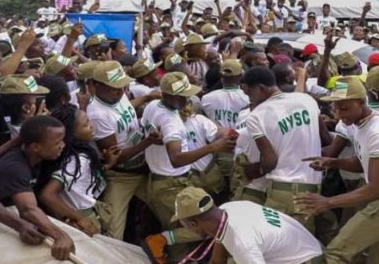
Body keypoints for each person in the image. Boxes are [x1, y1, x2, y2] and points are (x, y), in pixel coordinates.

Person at [295, 76, 379, 264]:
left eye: (344, 108)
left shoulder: (377, 132)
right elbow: (364, 164)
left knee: (335, 253)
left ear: (361, 102)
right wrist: (334, 163)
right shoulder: (361, 125)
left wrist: (328, 202)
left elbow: (376, 189)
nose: (339, 114)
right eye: (336, 108)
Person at [141, 72, 235, 263]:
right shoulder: (171, 121)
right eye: (181, 96)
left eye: (187, 95)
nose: (187, 100)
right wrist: (212, 147)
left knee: (183, 233)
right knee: (203, 227)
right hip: (172, 184)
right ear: (167, 95)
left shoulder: (153, 106)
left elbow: (149, 131)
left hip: (164, 180)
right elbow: (176, 159)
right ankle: (159, 240)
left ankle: (165, 244)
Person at [240, 66, 323, 232]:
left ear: (261, 88)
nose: (250, 99)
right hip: (312, 188)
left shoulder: (256, 116)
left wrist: (257, 169)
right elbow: (324, 137)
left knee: (277, 242)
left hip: (282, 191)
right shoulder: (307, 100)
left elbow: (270, 161)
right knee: (303, 241)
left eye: (250, 94)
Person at [88, 61, 158, 240]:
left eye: (123, 86)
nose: (120, 92)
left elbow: (126, 107)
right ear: (97, 86)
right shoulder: (97, 114)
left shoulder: (116, 95)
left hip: (142, 170)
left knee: (167, 211)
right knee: (113, 235)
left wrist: (147, 98)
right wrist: (148, 141)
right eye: (114, 88)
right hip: (121, 177)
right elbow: (116, 158)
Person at [173, 186, 323, 264]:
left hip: (308, 260)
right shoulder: (228, 209)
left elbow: (242, 246)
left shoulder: (242, 241)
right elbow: (217, 261)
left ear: (193, 224)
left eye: (184, 225)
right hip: (308, 249)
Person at [0, 116, 75, 261]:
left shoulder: (35, 156)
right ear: (35, 147)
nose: (62, 145)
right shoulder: (15, 167)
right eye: (57, 142)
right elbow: (28, 210)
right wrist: (61, 236)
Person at [40, 104, 115, 236]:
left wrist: (109, 164)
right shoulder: (77, 160)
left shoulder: (65, 155)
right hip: (81, 216)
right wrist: (81, 219)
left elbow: (80, 179)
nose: (92, 126)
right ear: (70, 133)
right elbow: (47, 195)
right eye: (86, 124)